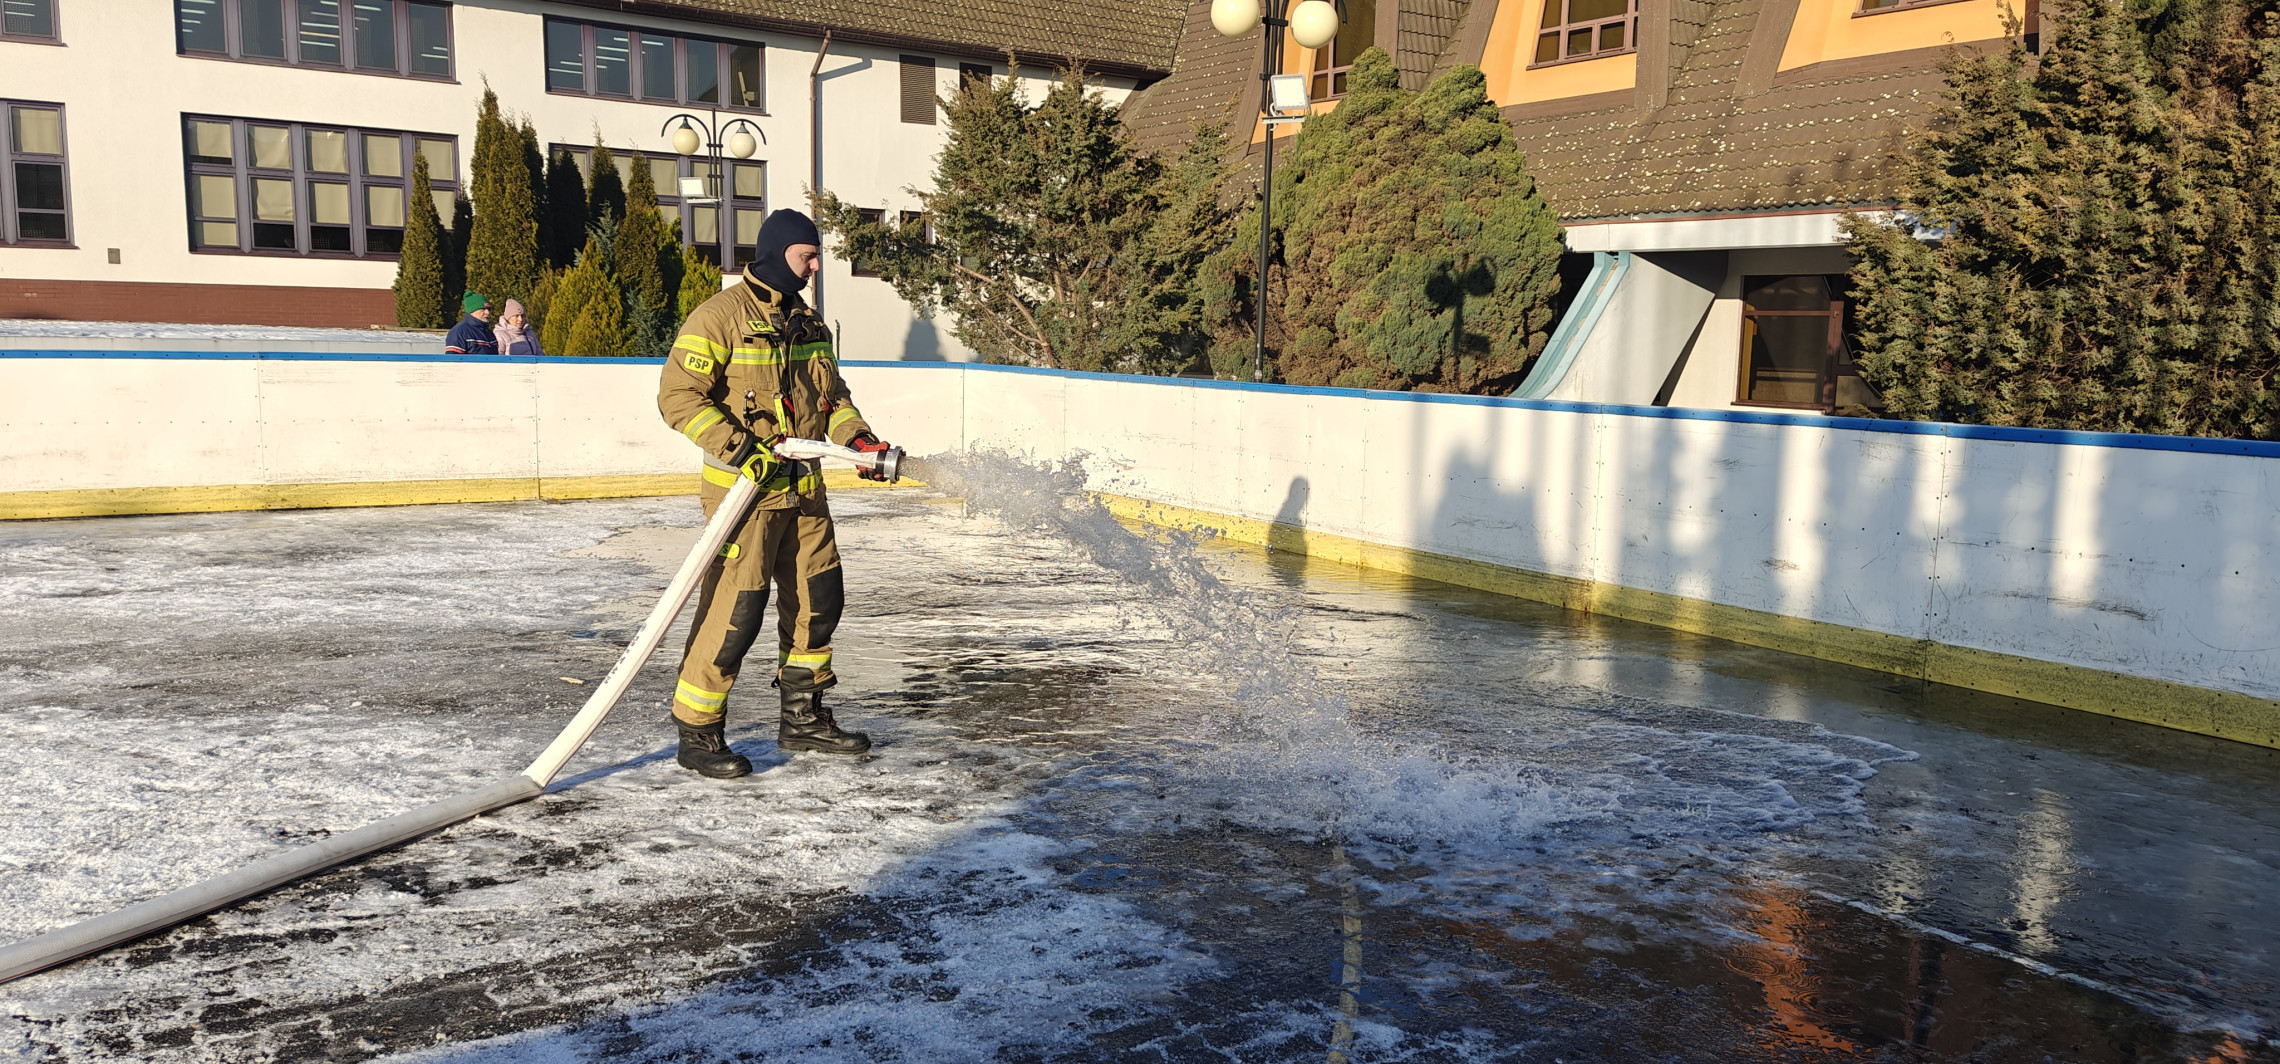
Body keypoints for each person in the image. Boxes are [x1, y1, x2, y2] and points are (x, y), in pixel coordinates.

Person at [655, 209, 898, 778]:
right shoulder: (719, 318)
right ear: (775, 253)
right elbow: (678, 399)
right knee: (736, 610)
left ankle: (804, 718)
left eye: (816, 257)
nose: (815, 268)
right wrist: (744, 450)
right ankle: (698, 733)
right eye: (806, 256)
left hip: (806, 491)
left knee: (820, 599)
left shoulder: (808, 323)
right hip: (745, 496)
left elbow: (832, 398)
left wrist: (856, 440)